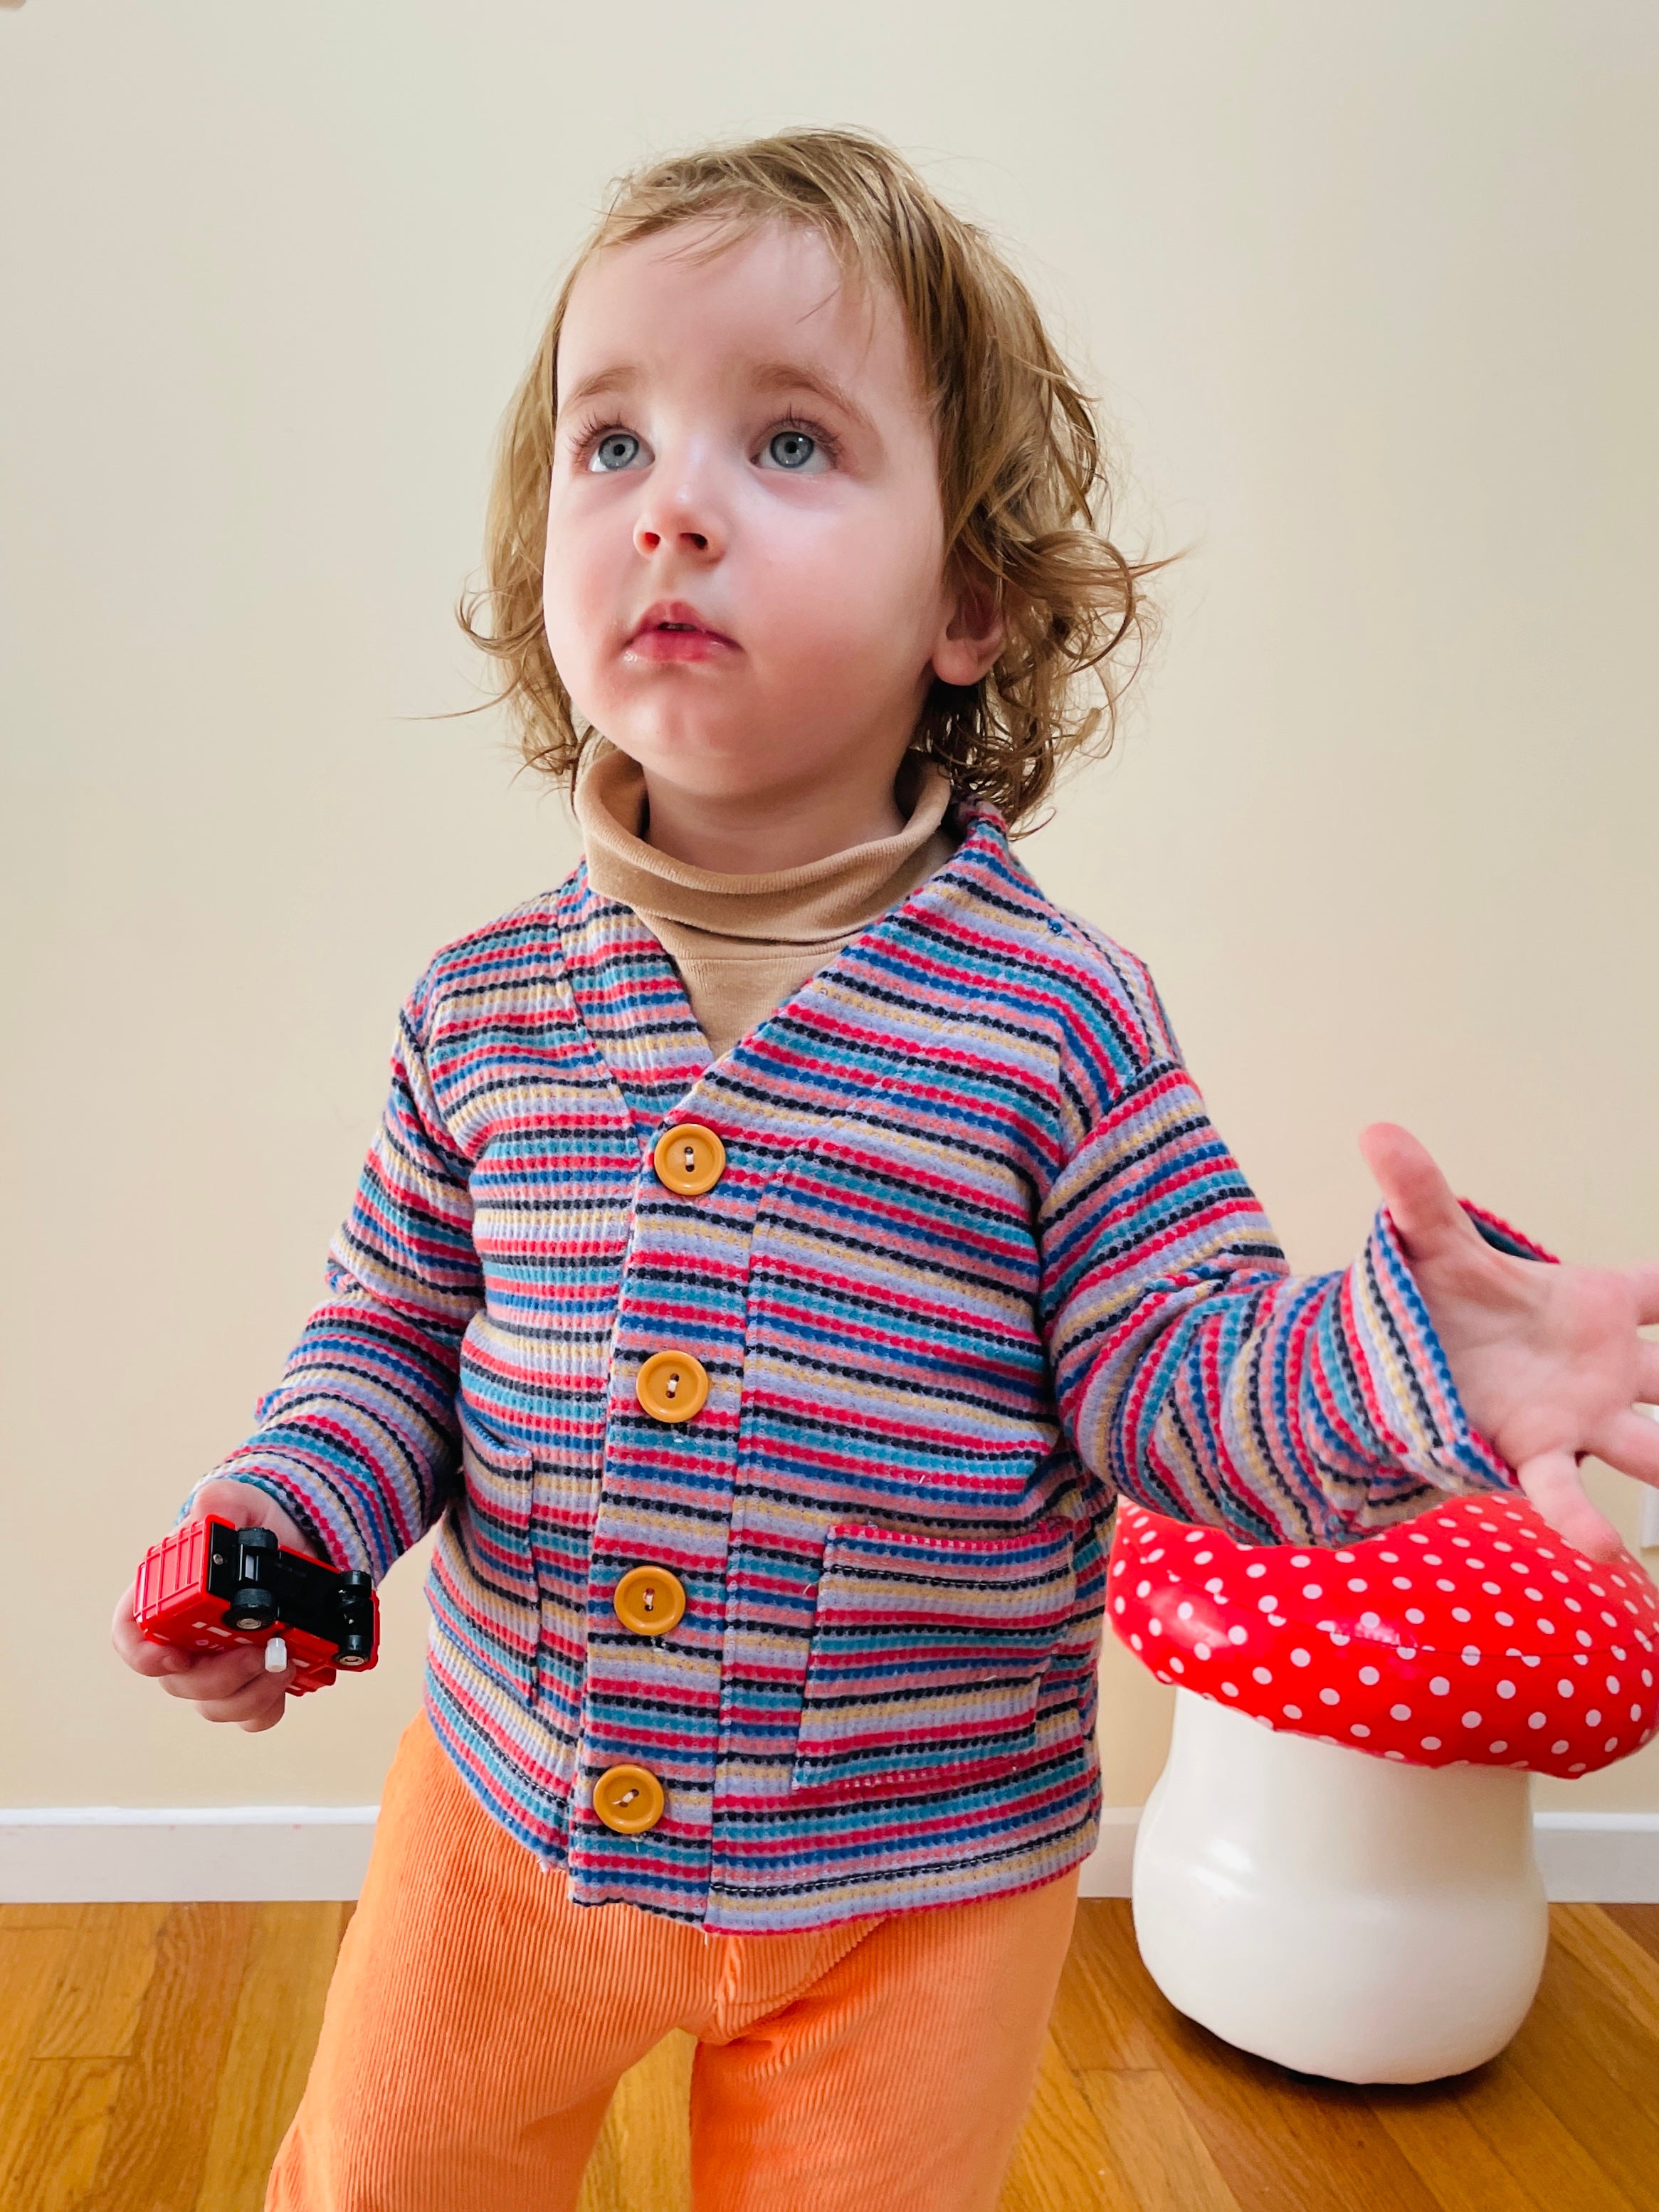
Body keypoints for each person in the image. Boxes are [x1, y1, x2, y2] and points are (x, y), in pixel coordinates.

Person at [110, 128, 1659, 2212]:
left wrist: (1409, 1369)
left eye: (787, 442)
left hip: (917, 1878)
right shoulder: (476, 1006)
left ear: (969, 601)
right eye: (608, 442)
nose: (669, 503)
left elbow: (1177, 1384)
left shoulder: (1057, 1020)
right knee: (384, 2176)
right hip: (502, 1805)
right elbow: (390, 1330)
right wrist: (288, 1515)